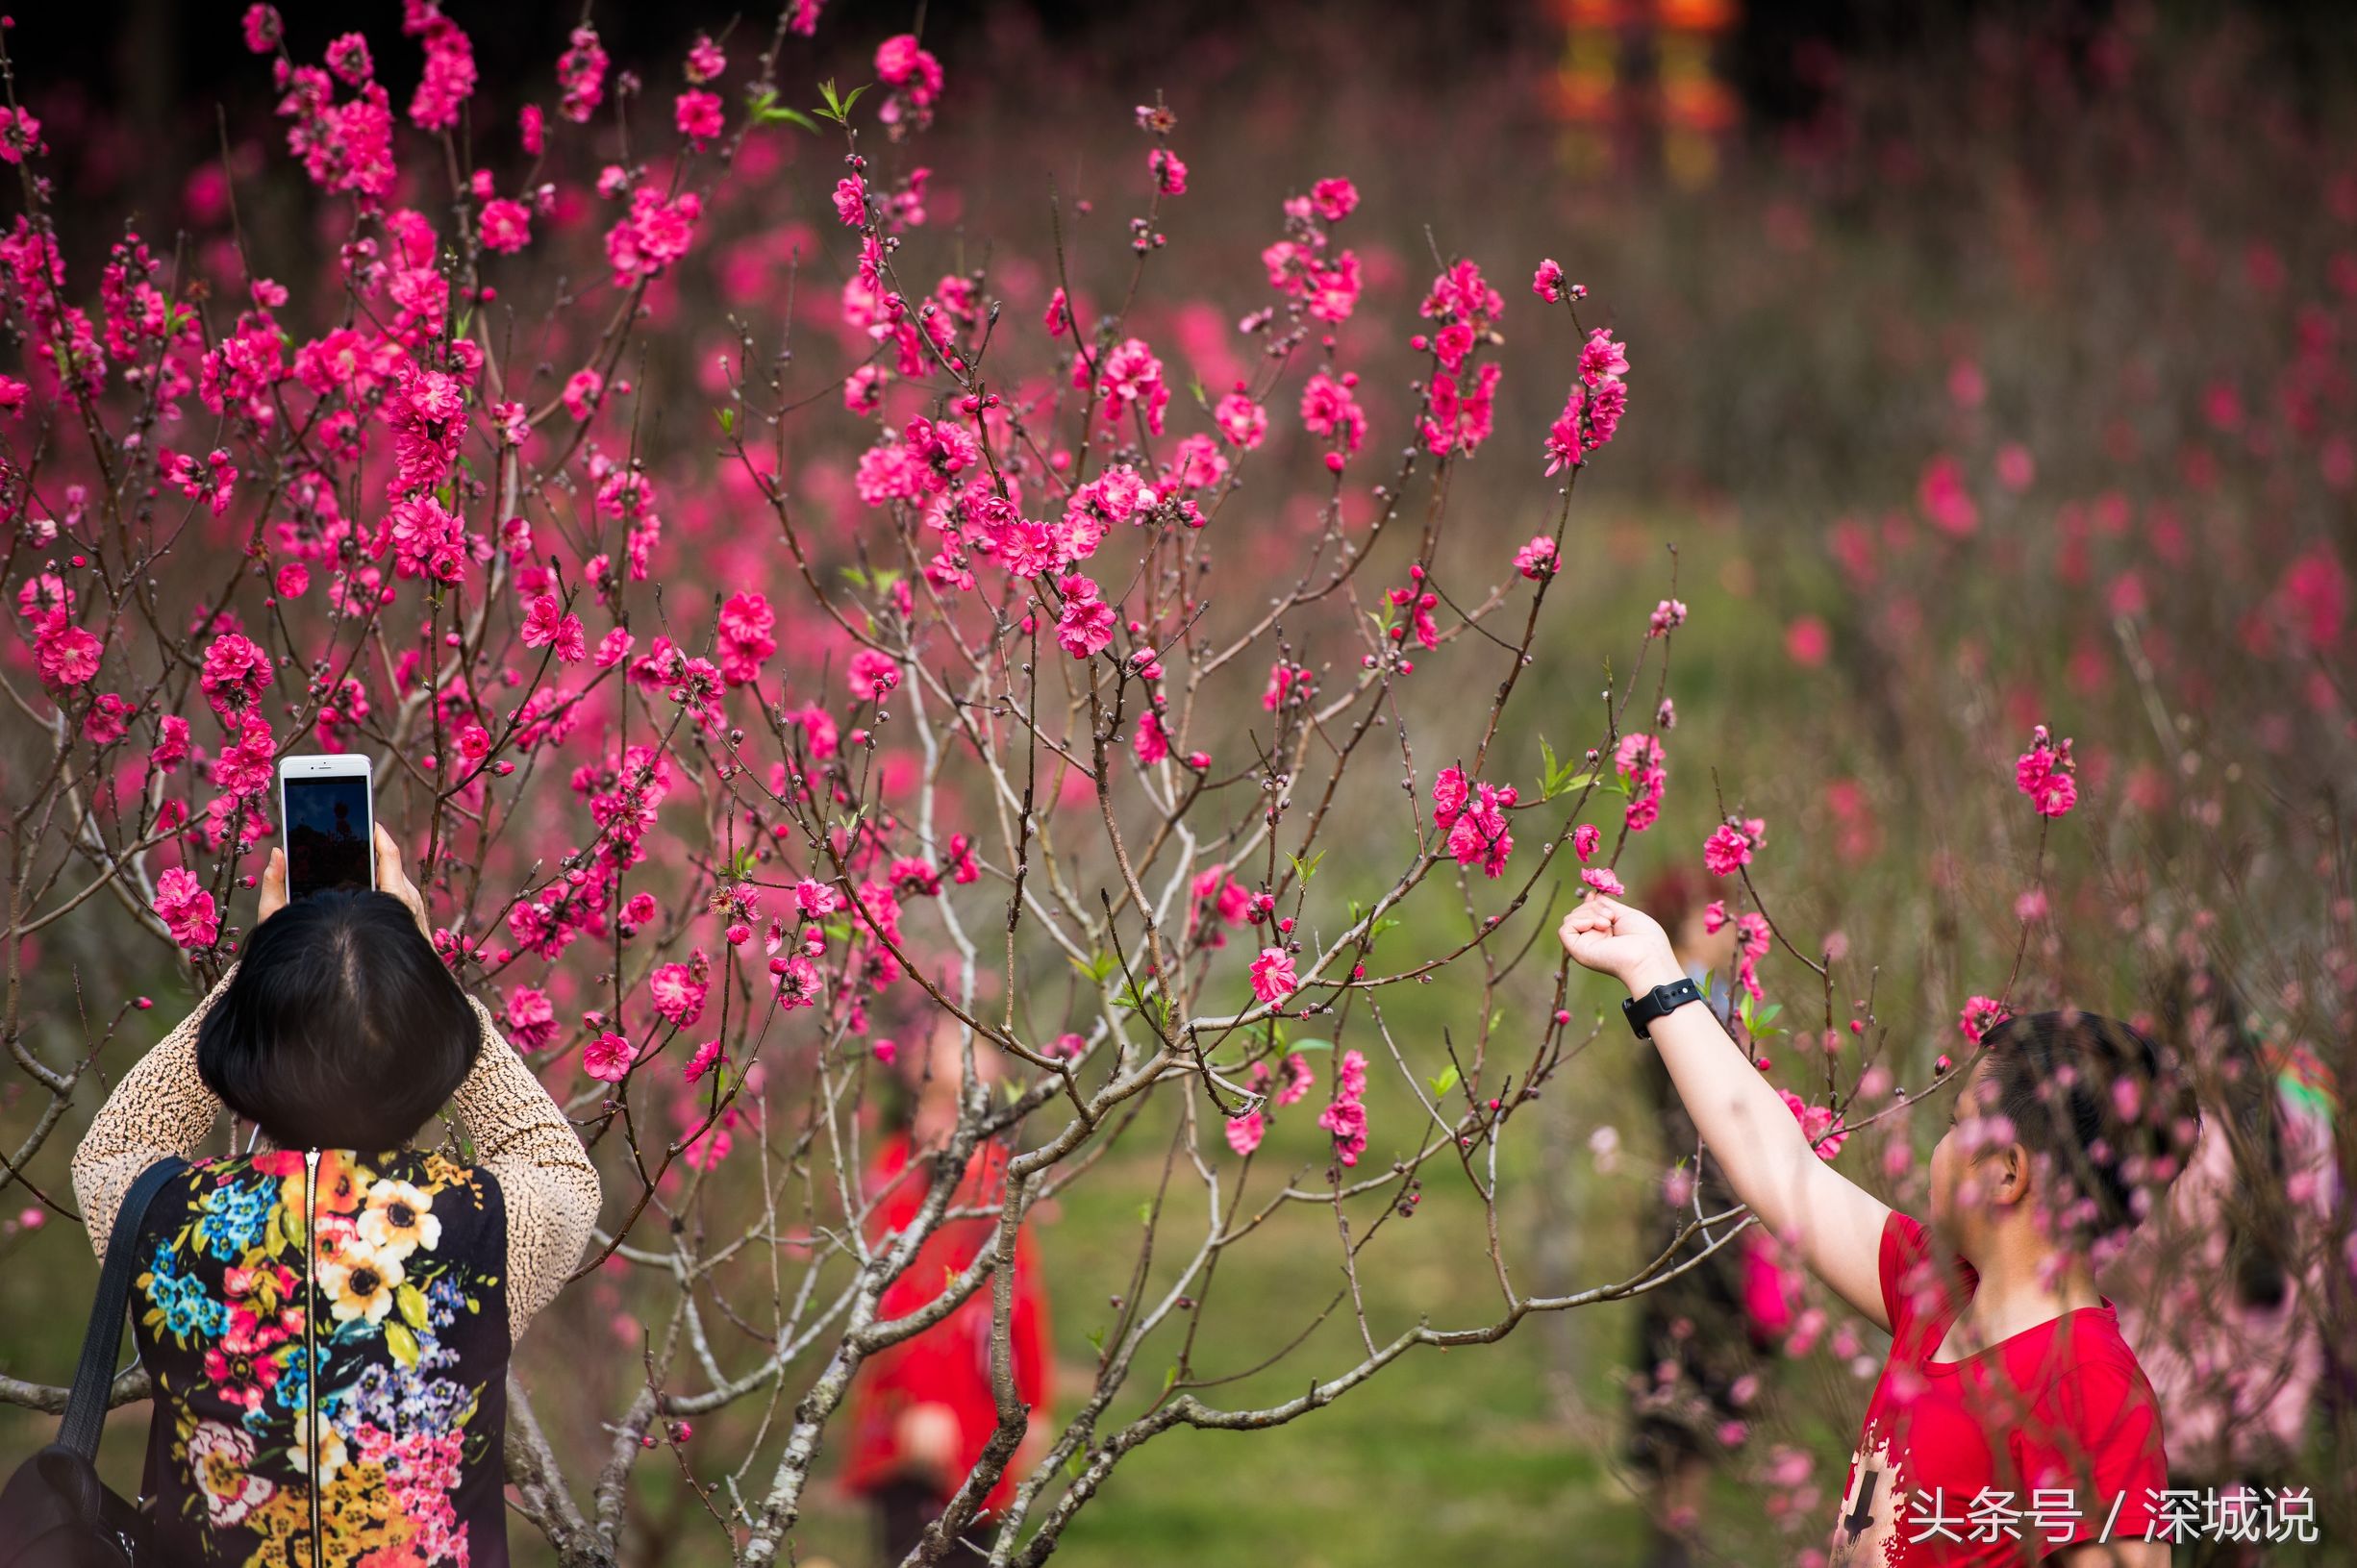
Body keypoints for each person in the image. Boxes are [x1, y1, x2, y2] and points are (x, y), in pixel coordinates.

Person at [1561, 892, 2197, 1567]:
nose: (1940, 1143)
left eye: (1956, 1125)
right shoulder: (1936, 1291)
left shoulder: (2088, 1386)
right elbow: (1773, 1160)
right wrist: (1655, 975)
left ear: (2005, 1174)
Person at [69, 827, 601, 1568]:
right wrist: (419, 969)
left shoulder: (165, 1217)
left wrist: (264, 970)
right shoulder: (479, 1226)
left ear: (243, 1052)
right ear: (433, 1053)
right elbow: (554, 1162)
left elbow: (117, 1143)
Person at [1620, 867, 1791, 1565]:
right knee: (1685, 1375)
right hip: (1699, 1217)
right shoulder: (1681, 1006)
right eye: (1711, 920)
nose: (1727, 934)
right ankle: (1673, 1532)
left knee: (1702, 1379)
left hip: (1717, 1215)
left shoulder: (1718, 1003)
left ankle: (1677, 1525)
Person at [840, 1008, 1053, 1565]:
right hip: (919, 1430)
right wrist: (919, 1401)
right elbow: (895, 1300)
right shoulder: (900, 1177)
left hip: (984, 1417)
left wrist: (1036, 1400)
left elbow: (1023, 1298)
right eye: (941, 1100)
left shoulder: (1000, 1175)